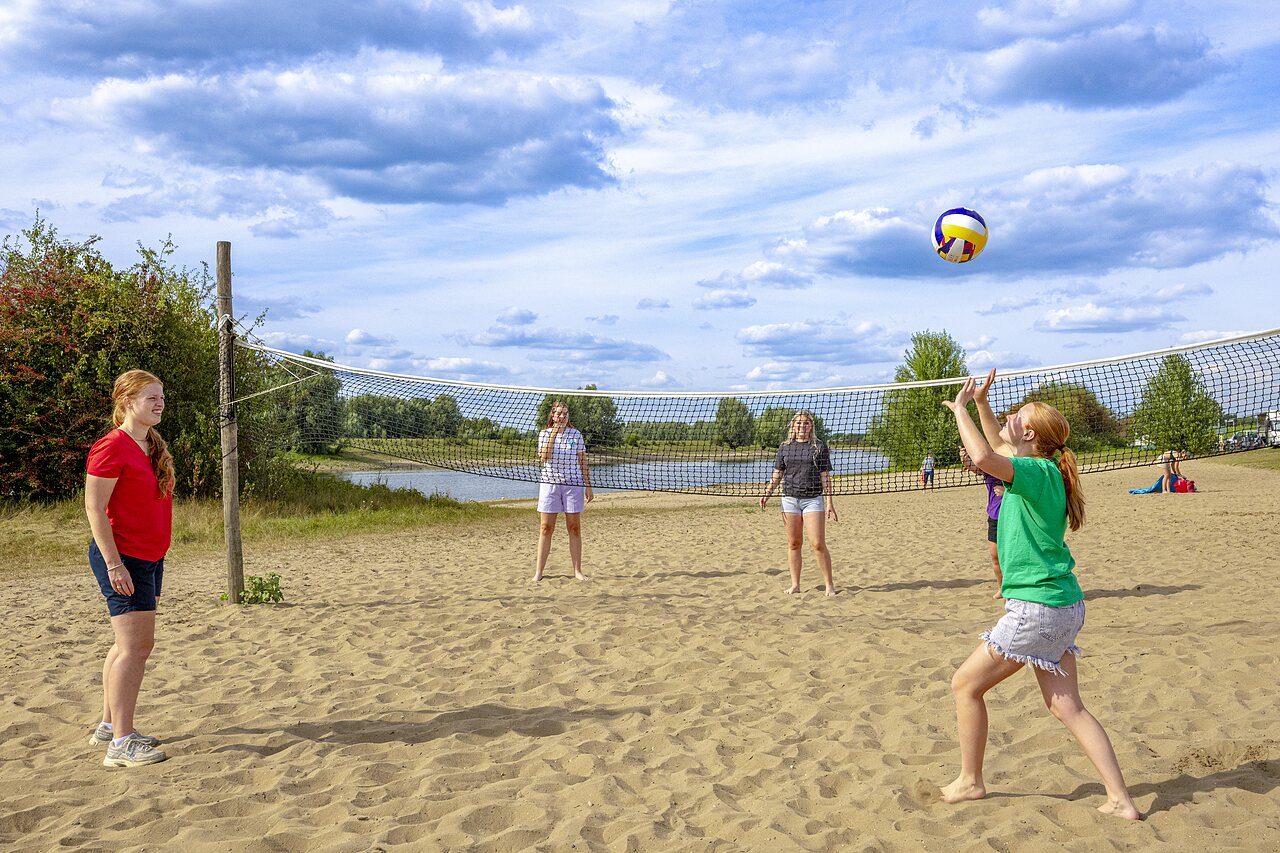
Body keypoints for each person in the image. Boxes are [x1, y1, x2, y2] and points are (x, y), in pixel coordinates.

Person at [938, 369, 1139, 820]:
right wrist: (986, 406)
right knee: (1067, 707)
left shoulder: (1032, 471)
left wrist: (961, 410)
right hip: (1064, 606)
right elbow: (998, 447)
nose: (1010, 414)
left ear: (1029, 433)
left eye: (1016, 414)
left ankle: (971, 781)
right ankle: (1120, 800)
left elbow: (984, 454)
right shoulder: (1041, 469)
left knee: (964, 686)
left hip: (1038, 610)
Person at [85, 370, 174, 768]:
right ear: (126, 401)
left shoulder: (150, 445)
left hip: (151, 557)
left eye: (161, 397)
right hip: (125, 558)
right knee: (137, 647)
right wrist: (114, 563)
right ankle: (121, 743)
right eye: (150, 397)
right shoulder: (111, 446)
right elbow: (95, 510)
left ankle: (109, 724)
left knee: (127, 644)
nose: (159, 403)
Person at [759, 411, 838, 596]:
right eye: (799, 423)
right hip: (789, 500)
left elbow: (825, 476)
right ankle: (795, 584)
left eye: (806, 423)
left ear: (811, 426)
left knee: (817, 543)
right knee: (794, 543)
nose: (802, 426)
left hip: (812, 499)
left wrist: (829, 503)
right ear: (793, 426)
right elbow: (777, 474)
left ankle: (829, 585)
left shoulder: (819, 447)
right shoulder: (785, 447)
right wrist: (767, 493)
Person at [533, 400, 593, 581]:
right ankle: (539, 572)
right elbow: (544, 457)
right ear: (552, 416)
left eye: (565, 414)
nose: (562, 417)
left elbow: (583, 460)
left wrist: (588, 485)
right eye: (559, 414)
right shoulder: (544, 434)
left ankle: (577, 571)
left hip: (573, 485)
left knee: (574, 528)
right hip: (550, 484)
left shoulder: (576, 434)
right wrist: (553, 434)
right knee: (545, 528)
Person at [960, 445, 1003, 598]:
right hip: (994, 517)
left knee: (1013, 557)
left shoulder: (1012, 462)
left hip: (1012, 516)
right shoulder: (989, 466)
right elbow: (975, 466)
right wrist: (965, 459)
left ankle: (1015, 589)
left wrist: (1008, 491)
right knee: (995, 557)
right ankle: (1002, 587)